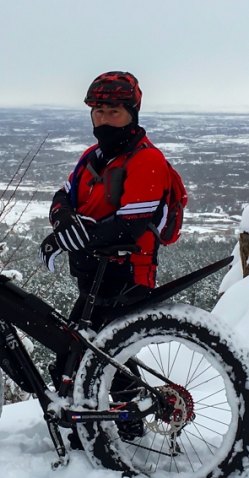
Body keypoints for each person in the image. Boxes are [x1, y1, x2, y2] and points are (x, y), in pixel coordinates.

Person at [39, 71, 174, 331]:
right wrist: (63, 219)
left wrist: (63, 238)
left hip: (126, 280)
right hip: (91, 275)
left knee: (95, 363)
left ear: (132, 115)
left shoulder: (147, 161)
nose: (104, 121)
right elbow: (62, 196)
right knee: (77, 361)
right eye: (98, 111)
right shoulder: (94, 155)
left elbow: (129, 228)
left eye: (114, 112)